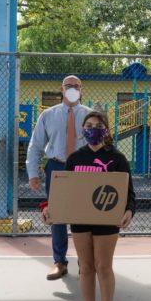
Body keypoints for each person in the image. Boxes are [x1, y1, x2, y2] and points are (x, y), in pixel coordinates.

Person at [41, 111, 134, 301]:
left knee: (103, 267)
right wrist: (48, 207)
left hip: (106, 220)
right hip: (81, 220)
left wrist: (129, 210)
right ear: (83, 130)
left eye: (98, 125)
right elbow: (64, 192)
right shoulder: (75, 158)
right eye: (89, 125)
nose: (93, 129)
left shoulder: (117, 158)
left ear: (106, 130)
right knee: (85, 267)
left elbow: (129, 193)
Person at [26, 75, 93, 280]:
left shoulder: (91, 116)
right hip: (56, 167)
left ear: (81, 90)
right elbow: (36, 145)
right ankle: (59, 262)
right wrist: (33, 174)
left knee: (85, 216)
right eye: (68, 85)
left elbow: (101, 145)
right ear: (61, 89)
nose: (72, 88)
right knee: (57, 216)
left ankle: (85, 263)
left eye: (76, 86)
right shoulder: (48, 115)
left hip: (84, 169)